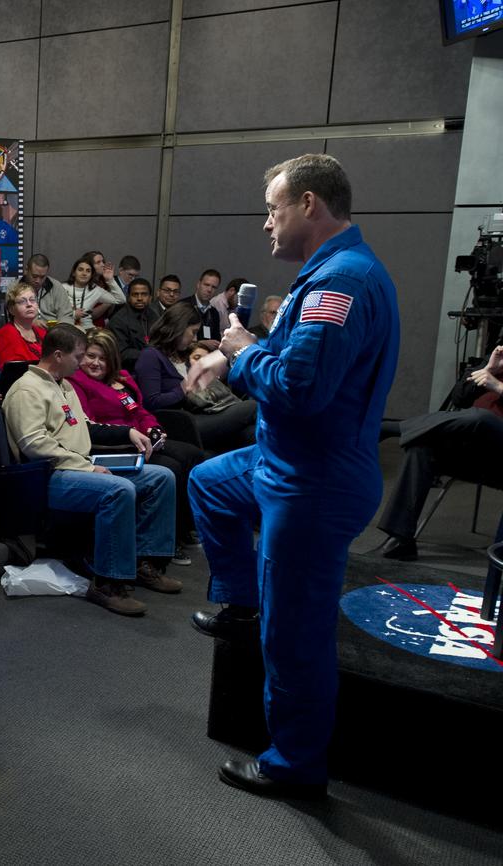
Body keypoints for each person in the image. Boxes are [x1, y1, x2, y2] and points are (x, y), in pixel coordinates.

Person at [185, 153, 399, 799]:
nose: (266, 224)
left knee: (296, 636)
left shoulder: (343, 284)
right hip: (283, 463)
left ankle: (294, 765)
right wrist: (235, 359)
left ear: (309, 204)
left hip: (315, 481)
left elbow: (299, 386)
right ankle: (242, 601)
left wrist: (243, 353)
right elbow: (288, 357)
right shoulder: (329, 274)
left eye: (274, 209)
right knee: (209, 483)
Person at [1, 323, 177, 616]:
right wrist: (86, 467)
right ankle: (108, 583)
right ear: (58, 355)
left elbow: (85, 426)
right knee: (119, 490)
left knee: (161, 477)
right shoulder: (26, 390)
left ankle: (145, 564)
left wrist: (126, 434)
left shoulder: (64, 384)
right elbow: (34, 445)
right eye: (79, 355)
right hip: (46, 476)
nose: (83, 362)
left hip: (77, 466)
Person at [70, 328, 203, 564]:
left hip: (141, 438)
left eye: (103, 358)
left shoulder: (121, 378)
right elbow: (89, 426)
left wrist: (154, 429)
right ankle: (165, 542)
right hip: (114, 445)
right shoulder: (78, 383)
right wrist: (131, 435)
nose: (96, 363)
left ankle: (183, 529)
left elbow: (141, 411)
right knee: (171, 467)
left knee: (192, 455)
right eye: (91, 356)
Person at [374, 347, 503, 562]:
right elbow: (459, 398)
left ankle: (390, 428)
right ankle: (401, 539)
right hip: (476, 453)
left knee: (482, 418)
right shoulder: (498, 357)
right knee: (423, 447)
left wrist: (497, 386)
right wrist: (490, 368)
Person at [136, 302, 257, 453]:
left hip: (203, 413)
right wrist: (185, 388)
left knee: (250, 434)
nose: (194, 339)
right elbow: (151, 403)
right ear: (178, 328)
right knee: (254, 406)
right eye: (193, 332)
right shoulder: (150, 356)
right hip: (180, 424)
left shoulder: (181, 356)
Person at [106, 277, 159, 374]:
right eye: (135, 294)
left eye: (144, 294)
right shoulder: (118, 320)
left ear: (150, 297)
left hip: (152, 366)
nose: (139, 298)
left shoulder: (154, 315)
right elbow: (122, 354)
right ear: (128, 297)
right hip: (129, 371)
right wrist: (151, 355)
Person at [65, 254, 126, 329]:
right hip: (67, 328)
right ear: (74, 273)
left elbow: (121, 300)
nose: (84, 273)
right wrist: (73, 314)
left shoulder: (95, 290)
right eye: (80, 270)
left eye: (88, 271)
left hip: (88, 329)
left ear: (91, 275)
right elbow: (54, 311)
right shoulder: (62, 287)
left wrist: (110, 280)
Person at [0, 282, 47, 364]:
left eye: (32, 300)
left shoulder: (42, 332)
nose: (29, 304)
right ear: (11, 309)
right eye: (22, 301)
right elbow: (12, 371)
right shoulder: (4, 335)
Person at [183, 269, 224, 342]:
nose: (209, 290)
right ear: (198, 284)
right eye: (206, 285)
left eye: (214, 287)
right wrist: (200, 343)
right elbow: (177, 339)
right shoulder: (183, 306)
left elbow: (217, 339)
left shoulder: (214, 313)